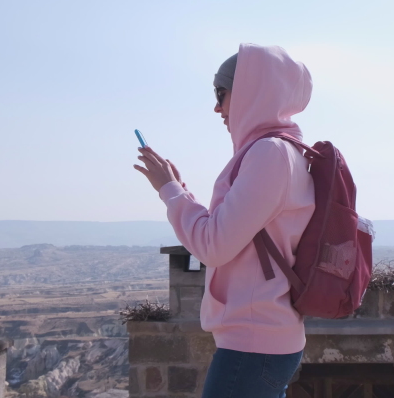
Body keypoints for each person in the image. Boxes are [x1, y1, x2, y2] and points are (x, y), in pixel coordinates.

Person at [134, 43, 316, 398]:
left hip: (253, 343)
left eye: (221, 92)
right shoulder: (285, 151)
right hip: (265, 338)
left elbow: (212, 245)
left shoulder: (270, 154)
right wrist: (179, 190)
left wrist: (169, 190)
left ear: (252, 91)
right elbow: (231, 231)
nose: (216, 106)